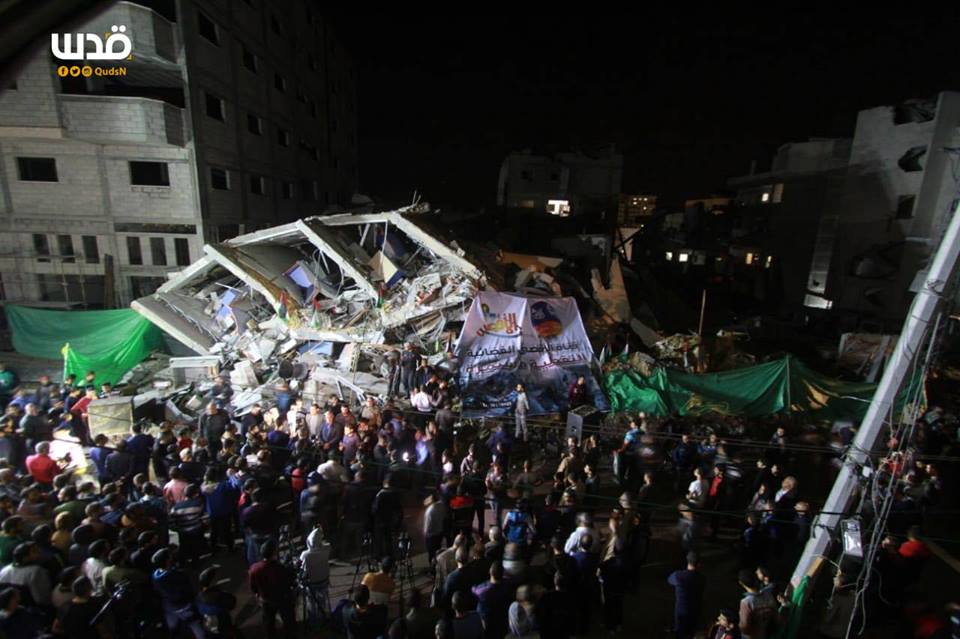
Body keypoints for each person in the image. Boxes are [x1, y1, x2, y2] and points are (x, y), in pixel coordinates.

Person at [249, 540, 297, 639]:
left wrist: (258, 594)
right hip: (282, 599)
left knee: (268, 623)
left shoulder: (254, 568)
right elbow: (290, 582)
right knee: (288, 621)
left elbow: (253, 586)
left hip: (266, 600)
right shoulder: (279, 568)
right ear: (273, 553)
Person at [152, 548, 204, 639]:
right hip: (182, 605)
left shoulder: (155, 575)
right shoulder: (175, 574)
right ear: (167, 560)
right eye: (170, 556)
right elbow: (187, 588)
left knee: (172, 625)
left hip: (168, 606)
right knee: (195, 624)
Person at [667, 551, 705, 639]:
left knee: (680, 633)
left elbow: (669, 580)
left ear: (687, 561)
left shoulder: (679, 576)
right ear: (699, 564)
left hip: (681, 611)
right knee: (691, 633)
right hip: (695, 611)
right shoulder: (702, 579)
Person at [196, 566, 238, 638]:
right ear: (212, 581)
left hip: (210, 629)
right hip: (223, 627)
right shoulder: (220, 595)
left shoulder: (199, 596)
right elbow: (232, 603)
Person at [737, 569, 776, 639]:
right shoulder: (769, 596)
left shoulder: (746, 602)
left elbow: (744, 626)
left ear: (741, 583)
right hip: (768, 634)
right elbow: (776, 617)